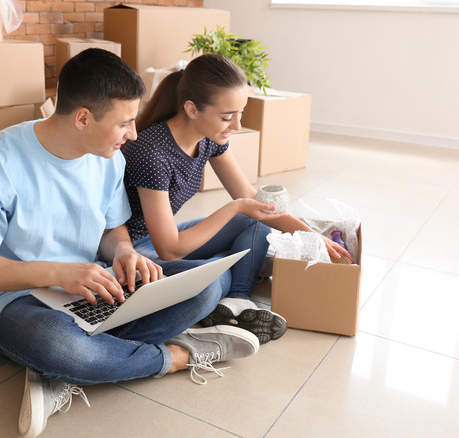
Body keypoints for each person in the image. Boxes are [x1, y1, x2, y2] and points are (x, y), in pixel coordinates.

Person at [0, 49, 260, 438]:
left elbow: (112, 231)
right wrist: (60, 272)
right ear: (83, 118)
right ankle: (177, 355)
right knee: (62, 347)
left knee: (206, 285)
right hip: (15, 299)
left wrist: (126, 252)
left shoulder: (108, 158)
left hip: (92, 286)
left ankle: (67, 371)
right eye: (125, 123)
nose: (133, 134)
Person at [122, 54, 352, 345]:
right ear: (191, 109)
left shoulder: (208, 138)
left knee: (256, 223)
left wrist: (313, 236)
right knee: (213, 271)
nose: (237, 124)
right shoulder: (152, 152)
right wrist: (235, 207)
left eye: (240, 113)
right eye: (227, 116)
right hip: (134, 253)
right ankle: (232, 278)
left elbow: (255, 203)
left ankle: (236, 302)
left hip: (162, 240)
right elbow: (169, 249)